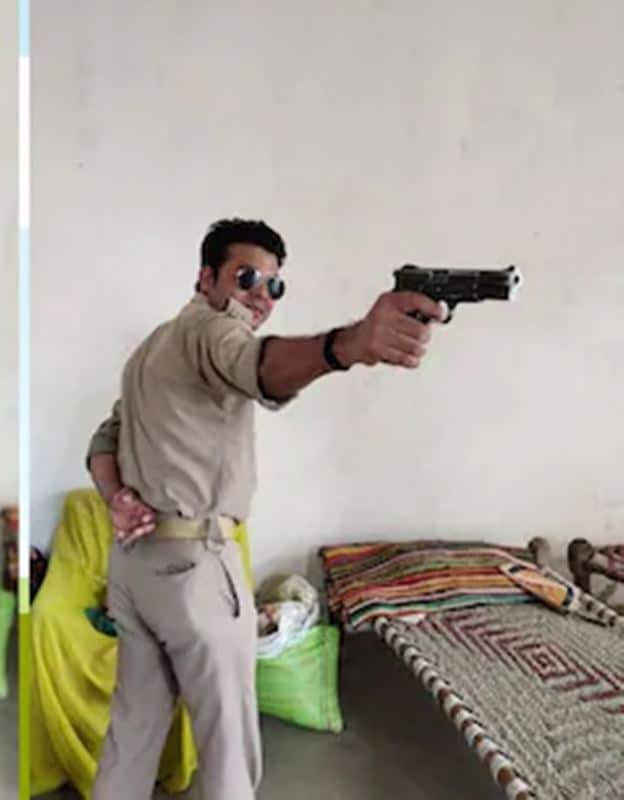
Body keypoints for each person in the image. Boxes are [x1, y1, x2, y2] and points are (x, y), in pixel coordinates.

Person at [84, 218, 445, 800]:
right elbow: (256, 367)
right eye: (246, 277)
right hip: (195, 569)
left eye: (274, 286)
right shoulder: (212, 330)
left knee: (132, 735)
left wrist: (116, 500)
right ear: (206, 278)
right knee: (228, 749)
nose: (261, 296)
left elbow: (105, 440)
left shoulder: (154, 346)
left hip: (135, 566)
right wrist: (349, 344)